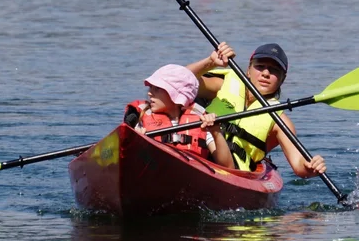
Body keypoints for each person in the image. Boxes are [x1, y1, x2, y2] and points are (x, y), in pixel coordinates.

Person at [185, 42, 327, 179]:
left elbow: (299, 165)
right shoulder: (222, 84)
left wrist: (310, 167)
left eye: (274, 70)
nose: (265, 73)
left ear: (282, 79)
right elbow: (179, 81)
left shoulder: (280, 121)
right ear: (248, 70)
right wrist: (210, 62)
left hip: (233, 173)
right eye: (260, 66)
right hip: (195, 152)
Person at [123, 64, 231, 163]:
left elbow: (227, 166)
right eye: (150, 88)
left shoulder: (201, 122)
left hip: (191, 174)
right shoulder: (141, 120)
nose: (150, 93)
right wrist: (137, 142)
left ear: (177, 95)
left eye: (157, 88)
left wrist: (216, 132)